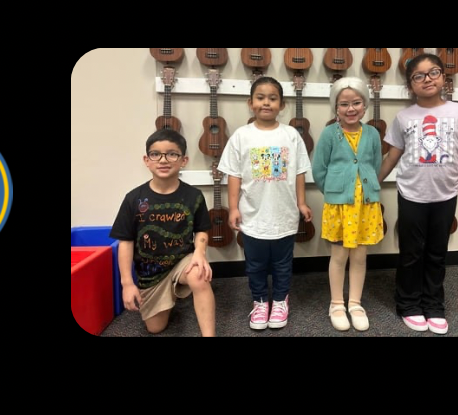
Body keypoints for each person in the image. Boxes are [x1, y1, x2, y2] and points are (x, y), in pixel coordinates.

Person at [378, 53, 458, 335]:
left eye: (433, 72)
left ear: (444, 77)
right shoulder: (403, 117)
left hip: (445, 196)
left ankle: (434, 304)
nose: (427, 79)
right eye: (419, 75)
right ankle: (408, 304)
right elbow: (391, 157)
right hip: (411, 195)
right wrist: (373, 183)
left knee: (437, 253)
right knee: (411, 254)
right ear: (410, 85)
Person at [218, 76, 312, 330]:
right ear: (251, 103)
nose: (266, 103)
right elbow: (234, 174)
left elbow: (300, 171)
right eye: (260, 98)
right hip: (252, 215)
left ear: (282, 104)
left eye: (273, 98)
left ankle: (280, 300)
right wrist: (234, 207)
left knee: (283, 263)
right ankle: (259, 301)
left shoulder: (291, 135)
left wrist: (302, 203)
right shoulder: (241, 136)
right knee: (255, 263)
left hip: (284, 213)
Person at [109, 129, 215, 336]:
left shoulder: (194, 196)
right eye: (155, 154)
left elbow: (202, 229)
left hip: (182, 262)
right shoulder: (133, 199)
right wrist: (127, 284)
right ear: (146, 160)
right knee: (155, 328)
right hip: (151, 276)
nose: (163, 160)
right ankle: (170, 298)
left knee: (199, 276)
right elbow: (126, 242)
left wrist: (200, 253)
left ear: (183, 160)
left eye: (172, 154)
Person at [312, 76, 384, 332]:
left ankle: (355, 303)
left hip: (365, 205)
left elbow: (375, 166)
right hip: (339, 206)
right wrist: (334, 192)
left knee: (360, 256)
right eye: (344, 104)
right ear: (336, 108)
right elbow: (319, 170)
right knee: (339, 255)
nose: (350, 109)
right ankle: (336, 304)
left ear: (365, 106)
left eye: (356, 103)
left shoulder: (373, 133)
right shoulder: (330, 134)